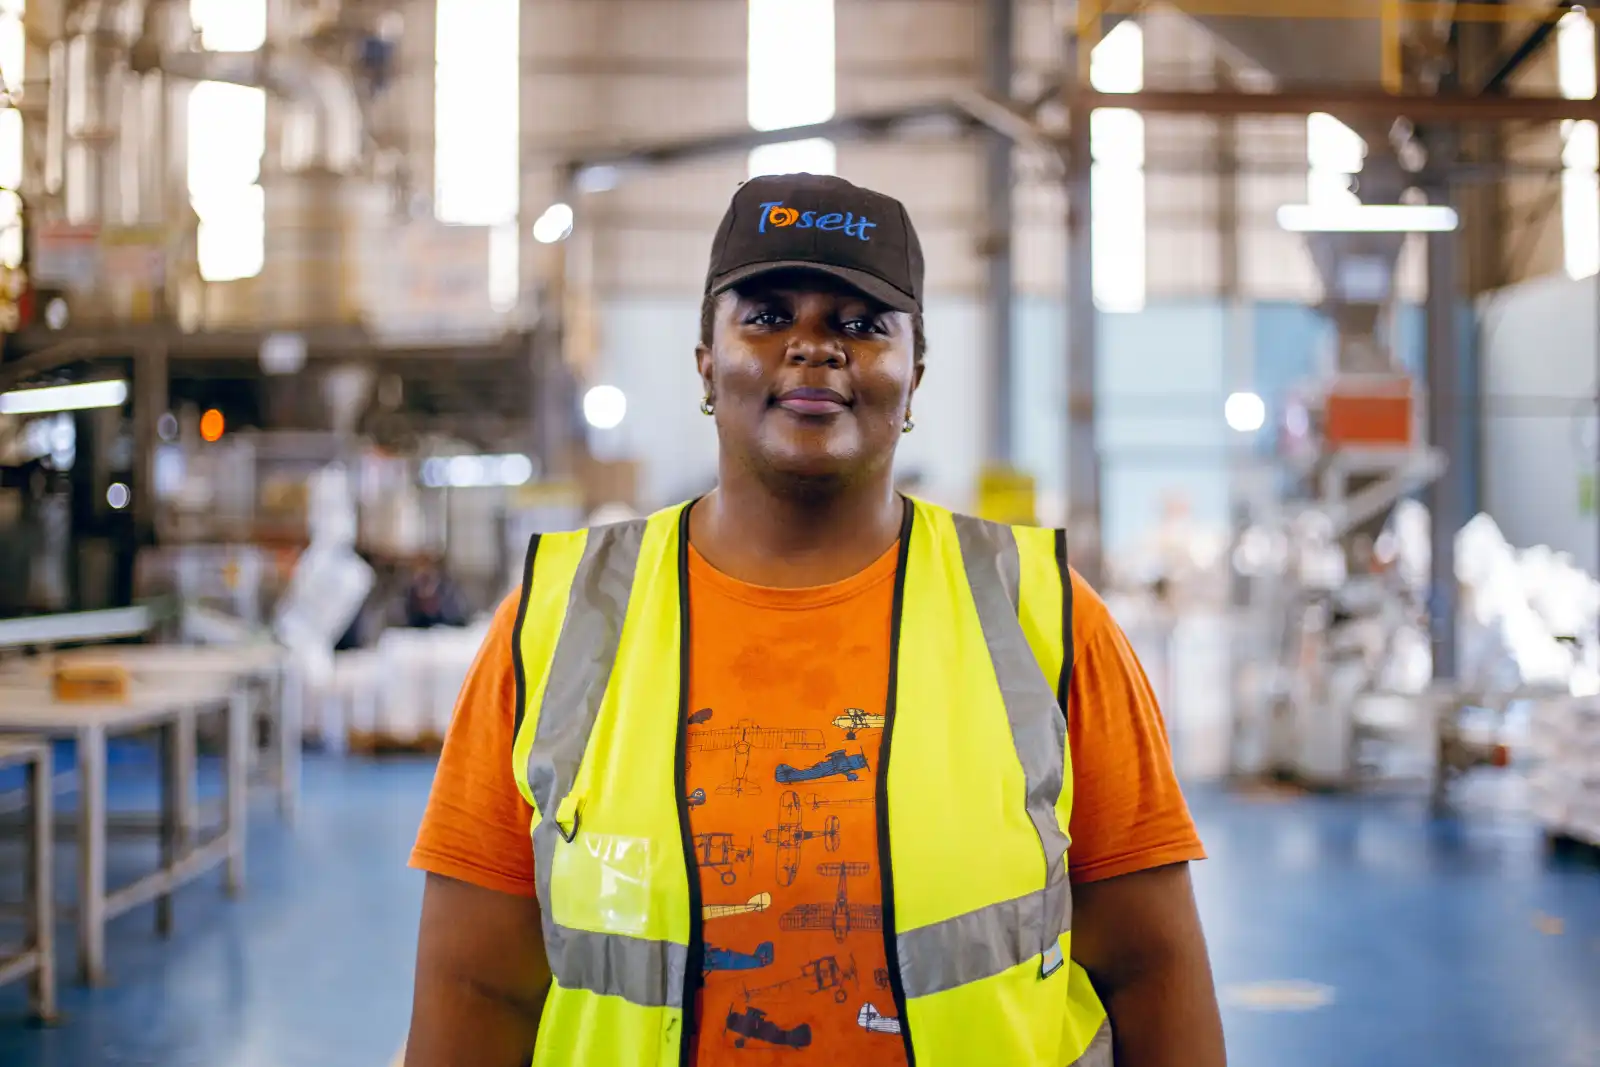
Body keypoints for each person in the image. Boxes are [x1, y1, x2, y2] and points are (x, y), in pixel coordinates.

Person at [404, 174, 1226, 1067]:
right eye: (766, 315)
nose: (813, 347)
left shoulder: (1046, 619)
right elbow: (475, 987)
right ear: (707, 362)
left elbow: (1153, 967)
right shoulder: (558, 625)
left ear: (913, 374)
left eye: (862, 323)